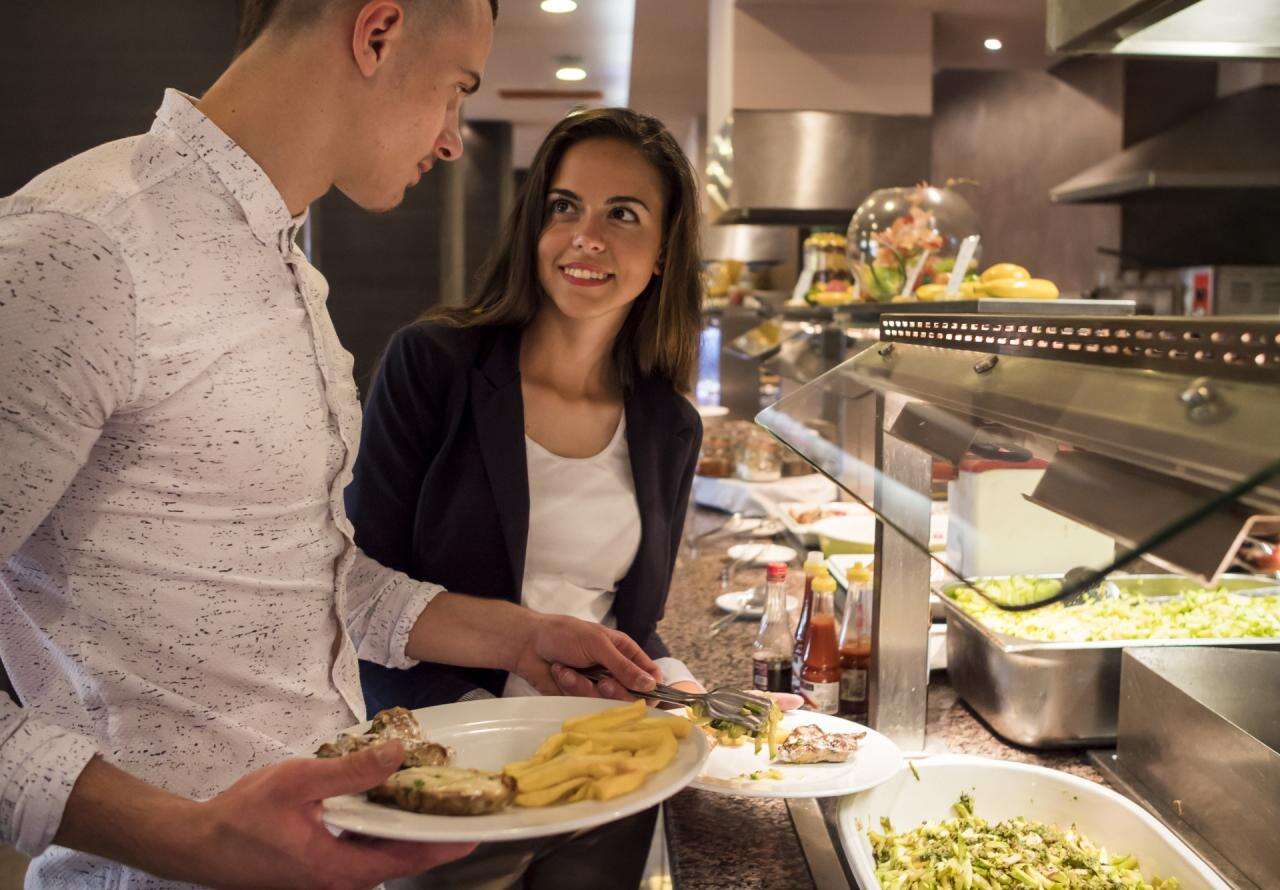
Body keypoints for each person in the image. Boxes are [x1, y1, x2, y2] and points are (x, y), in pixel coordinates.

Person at [0, 2, 659, 888]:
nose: (452, 139)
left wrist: (518, 637)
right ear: (377, 33)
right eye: (456, 88)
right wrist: (187, 836)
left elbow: (300, 575)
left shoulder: (284, 265)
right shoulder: (80, 246)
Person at [346, 108, 705, 887]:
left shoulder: (669, 423)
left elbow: (627, 621)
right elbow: (353, 590)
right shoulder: (432, 366)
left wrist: (686, 692)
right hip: (450, 774)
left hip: (602, 777)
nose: (586, 237)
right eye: (564, 206)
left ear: (664, 252)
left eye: (623, 214)